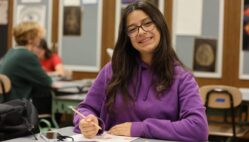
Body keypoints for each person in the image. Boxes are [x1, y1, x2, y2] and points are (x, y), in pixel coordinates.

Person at [73, 1, 208, 141]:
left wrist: (141, 128)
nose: (141, 32)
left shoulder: (182, 77)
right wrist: (86, 122)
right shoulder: (113, 69)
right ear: (127, 37)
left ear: (159, 25)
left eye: (147, 23)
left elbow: (198, 128)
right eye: (132, 29)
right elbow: (85, 109)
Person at [0, 21, 52, 112]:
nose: (40, 38)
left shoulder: (12, 51)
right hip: (17, 106)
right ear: (30, 39)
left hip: (6, 103)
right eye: (38, 35)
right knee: (48, 97)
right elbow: (47, 82)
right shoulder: (26, 55)